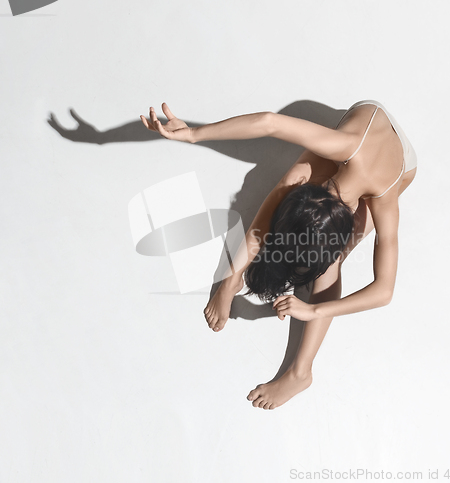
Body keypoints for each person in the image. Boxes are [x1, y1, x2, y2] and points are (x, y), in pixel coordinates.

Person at [140, 99, 418, 409]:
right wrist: (193, 134)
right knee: (287, 183)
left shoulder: (384, 200)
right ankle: (232, 280)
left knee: (330, 263)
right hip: (362, 132)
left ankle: (301, 373)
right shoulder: (342, 147)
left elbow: (384, 291)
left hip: (402, 166)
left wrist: (313, 311)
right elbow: (269, 122)